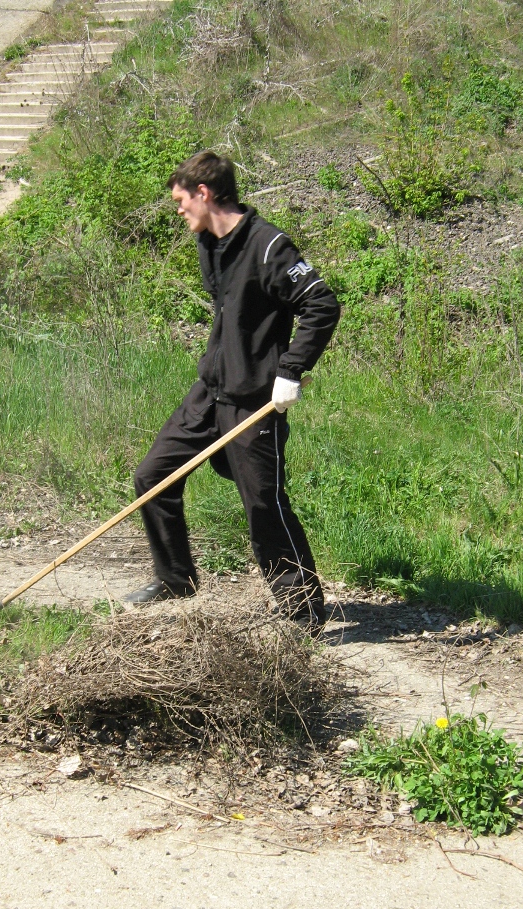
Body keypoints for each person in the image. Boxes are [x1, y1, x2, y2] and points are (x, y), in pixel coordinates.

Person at [124, 151, 340, 633]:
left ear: (204, 193)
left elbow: (321, 304)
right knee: (153, 478)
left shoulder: (268, 246)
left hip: (253, 401)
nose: (179, 210)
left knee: (264, 504)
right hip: (211, 391)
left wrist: (290, 370)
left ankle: (302, 612)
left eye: (181, 200)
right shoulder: (210, 243)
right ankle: (175, 579)